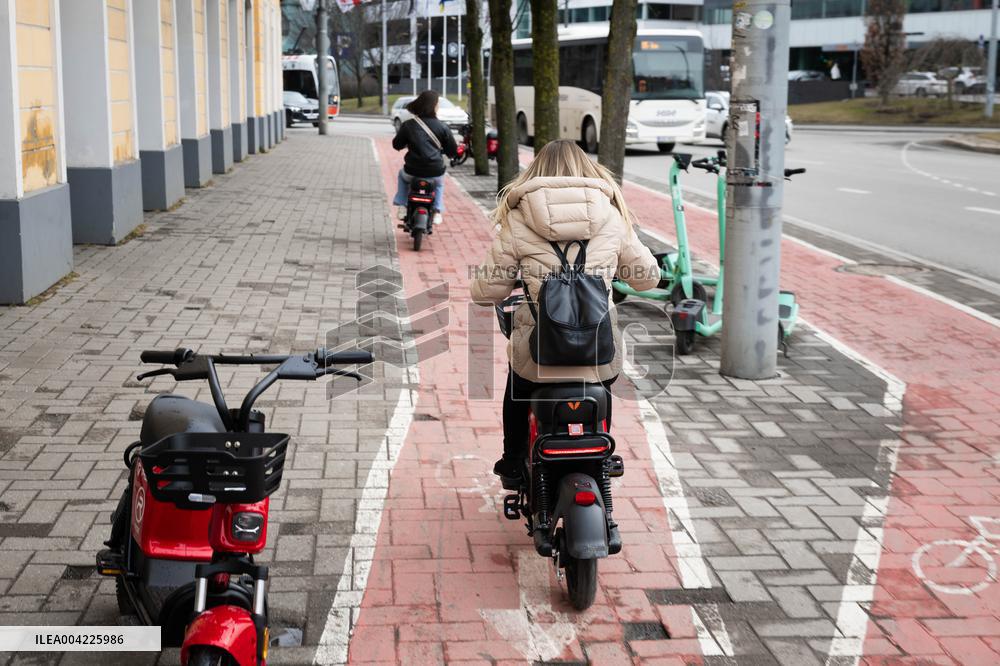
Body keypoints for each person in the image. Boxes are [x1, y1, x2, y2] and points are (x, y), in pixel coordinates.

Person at [470, 139, 660, 482]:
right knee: (601, 381)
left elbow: (487, 292)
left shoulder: (517, 218)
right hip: (599, 349)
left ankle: (513, 462)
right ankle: (604, 454)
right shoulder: (612, 215)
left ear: (535, 171)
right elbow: (647, 279)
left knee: (518, 387)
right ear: (587, 169)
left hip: (539, 356)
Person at [391, 90, 458, 226]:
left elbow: (396, 144)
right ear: (434, 106)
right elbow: (452, 151)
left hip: (412, 171)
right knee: (439, 184)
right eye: (437, 104)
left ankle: (402, 206)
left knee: (402, 176)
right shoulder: (443, 127)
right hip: (435, 171)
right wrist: (448, 153)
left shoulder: (408, 125)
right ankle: (437, 211)